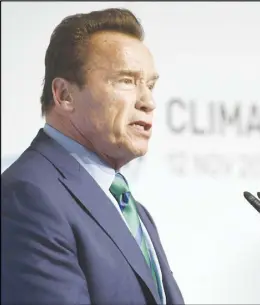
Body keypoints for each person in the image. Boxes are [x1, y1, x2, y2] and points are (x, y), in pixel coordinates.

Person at [1, 8, 184, 305]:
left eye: (150, 85)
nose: (148, 102)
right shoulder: (27, 197)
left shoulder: (132, 208)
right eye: (126, 81)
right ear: (64, 95)